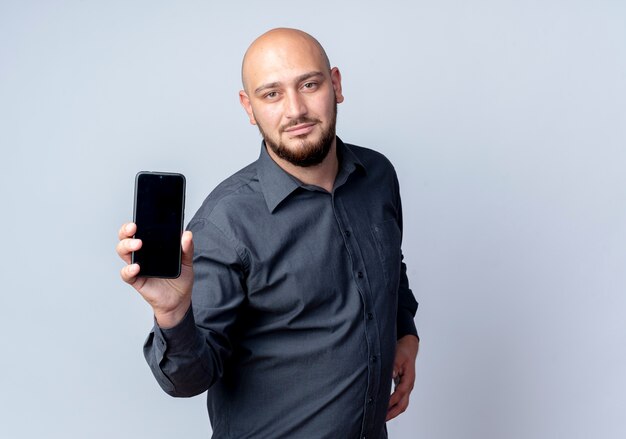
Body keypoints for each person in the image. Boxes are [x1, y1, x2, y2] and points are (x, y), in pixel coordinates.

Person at [117, 28, 419, 438]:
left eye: (309, 85)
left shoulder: (378, 176)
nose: (296, 110)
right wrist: (173, 316)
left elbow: (389, 266)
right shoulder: (225, 224)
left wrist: (405, 333)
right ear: (249, 107)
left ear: (336, 85)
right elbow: (188, 380)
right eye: (272, 94)